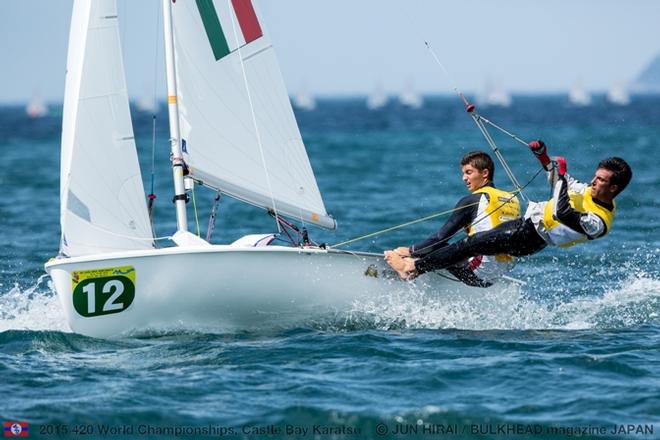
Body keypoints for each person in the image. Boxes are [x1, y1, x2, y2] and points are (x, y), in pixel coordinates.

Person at [385, 140, 633, 280]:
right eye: (595, 176)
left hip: (531, 238)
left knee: (471, 244)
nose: (593, 181)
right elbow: (558, 176)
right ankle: (422, 261)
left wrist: (560, 181)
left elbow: (562, 212)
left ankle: (412, 268)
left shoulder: (599, 222)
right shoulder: (589, 190)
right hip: (526, 227)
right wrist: (543, 157)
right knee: (473, 244)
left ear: (614, 187)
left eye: (600, 180)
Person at [384, 151, 521, 287]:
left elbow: (440, 238)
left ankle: (408, 269)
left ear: (485, 173)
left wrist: (411, 250)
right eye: (463, 173)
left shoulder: (473, 200)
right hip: (499, 272)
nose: (464, 178)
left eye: (469, 172)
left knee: (439, 247)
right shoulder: (512, 199)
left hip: (478, 273)